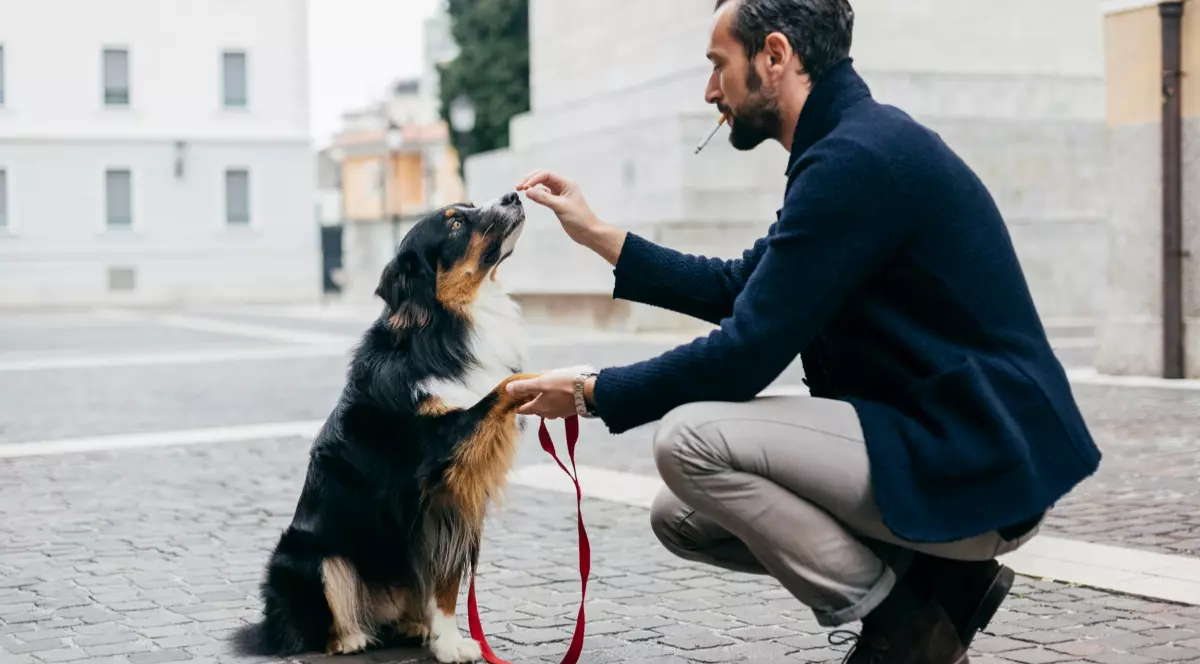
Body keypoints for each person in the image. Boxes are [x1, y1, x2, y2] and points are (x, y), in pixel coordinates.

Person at [505, 0, 1102, 661]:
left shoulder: (857, 161)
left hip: (980, 460)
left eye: (717, 65)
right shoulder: (850, 146)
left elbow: (744, 355)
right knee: (680, 517)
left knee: (690, 442)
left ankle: (907, 629)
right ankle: (939, 584)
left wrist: (593, 391)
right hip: (944, 443)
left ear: (776, 55)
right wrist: (599, 235)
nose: (710, 91)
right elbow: (741, 287)